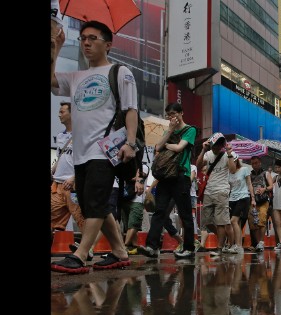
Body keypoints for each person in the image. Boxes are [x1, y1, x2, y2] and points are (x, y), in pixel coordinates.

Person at [51, 20, 136, 273]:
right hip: (80, 153)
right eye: (83, 38)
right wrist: (56, 48)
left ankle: (81, 254)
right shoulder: (76, 77)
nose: (86, 43)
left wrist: (130, 143)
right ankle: (120, 251)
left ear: (108, 44)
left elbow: (131, 109)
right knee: (92, 205)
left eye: (92, 38)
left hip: (104, 149)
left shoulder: (120, 72)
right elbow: (52, 81)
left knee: (96, 201)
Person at [137, 103, 197, 259]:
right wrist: (169, 131)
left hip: (181, 176)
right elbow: (157, 147)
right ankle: (152, 246)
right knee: (159, 212)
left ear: (181, 113)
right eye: (169, 115)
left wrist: (167, 145)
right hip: (165, 177)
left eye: (173, 113)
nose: (171, 117)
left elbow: (179, 148)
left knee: (185, 214)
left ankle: (189, 248)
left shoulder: (190, 130)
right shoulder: (168, 130)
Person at [197, 133, 238, 256]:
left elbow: (232, 170)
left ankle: (219, 248)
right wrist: (203, 149)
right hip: (209, 191)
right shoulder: (208, 154)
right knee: (207, 222)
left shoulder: (228, 155)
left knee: (221, 222)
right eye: (215, 144)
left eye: (220, 144)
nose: (217, 147)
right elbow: (199, 166)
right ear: (211, 144)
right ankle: (223, 239)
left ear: (223, 145)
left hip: (222, 191)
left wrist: (229, 153)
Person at [51, 102, 85, 235]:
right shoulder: (60, 136)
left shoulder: (82, 135)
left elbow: (85, 161)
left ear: (72, 114)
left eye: (62, 111)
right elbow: (62, 155)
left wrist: (74, 177)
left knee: (81, 218)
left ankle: (89, 248)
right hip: (57, 184)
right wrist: (55, 166)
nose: (59, 114)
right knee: (54, 219)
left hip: (73, 186)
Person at [228, 155, 255, 254]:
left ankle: (238, 245)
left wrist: (253, 198)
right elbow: (229, 187)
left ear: (236, 161)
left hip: (243, 197)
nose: (230, 164)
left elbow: (249, 183)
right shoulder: (229, 173)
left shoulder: (244, 169)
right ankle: (238, 245)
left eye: (232, 161)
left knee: (233, 221)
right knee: (237, 223)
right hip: (232, 199)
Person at [247, 156, 273, 252]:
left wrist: (264, 189)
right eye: (253, 163)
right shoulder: (249, 175)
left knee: (262, 220)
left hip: (263, 201)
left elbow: (271, 186)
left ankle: (261, 242)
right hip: (253, 201)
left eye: (256, 162)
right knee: (253, 223)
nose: (255, 165)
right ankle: (257, 243)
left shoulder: (265, 173)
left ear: (260, 162)